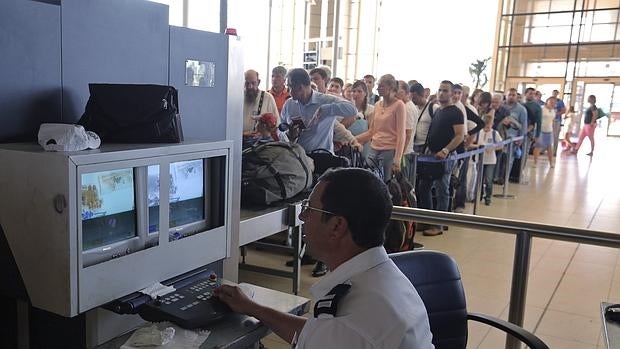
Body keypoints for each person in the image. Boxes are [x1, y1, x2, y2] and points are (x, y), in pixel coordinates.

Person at [214, 168, 435, 349]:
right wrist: (253, 308)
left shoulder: (352, 324)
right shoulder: (381, 277)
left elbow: (337, 335)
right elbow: (315, 333)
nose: (302, 216)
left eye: (309, 209)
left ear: (337, 227)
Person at [416, 81, 465, 237]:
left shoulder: (456, 112)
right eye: (440, 90)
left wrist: (445, 150)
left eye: (445, 90)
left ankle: (438, 224)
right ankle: (427, 219)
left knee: (442, 189)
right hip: (431, 156)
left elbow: (459, 136)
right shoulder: (438, 111)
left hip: (445, 157)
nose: (441, 93)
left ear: (452, 93)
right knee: (424, 187)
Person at [281, 68, 357, 154]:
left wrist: (325, 109)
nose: (288, 91)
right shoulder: (289, 104)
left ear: (300, 87)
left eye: (290, 87)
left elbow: (353, 110)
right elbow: (281, 128)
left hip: (321, 157)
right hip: (295, 157)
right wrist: (288, 135)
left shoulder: (325, 100)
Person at [355, 74, 407, 180]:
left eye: (382, 86)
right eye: (378, 85)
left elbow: (401, 135)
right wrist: (353, 139)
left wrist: (397, 159)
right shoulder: (378, 105)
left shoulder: (399, 105)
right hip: (374, 148)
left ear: (391, 88)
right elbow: (372, 131)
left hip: (389, 150)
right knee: (368, 178)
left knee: (386, 182)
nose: (378, 88)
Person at [473, 113, 502, 205]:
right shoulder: (478, 132)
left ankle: (488, 197)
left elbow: (501, 145)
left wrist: (493, 148)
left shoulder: (494, 133)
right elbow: (472, 143)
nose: (487, 127)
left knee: (488, 180)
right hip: (479, 159)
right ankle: (478, 196)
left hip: (490, 160)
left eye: (488, 125)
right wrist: (478, 146)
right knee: (479, 179)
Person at [243, 69, 279, 135]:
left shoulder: (268, 98)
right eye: (247, 83)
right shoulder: (237, 98)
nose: (250, 86)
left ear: (258, 82)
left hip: (260, 142)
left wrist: (266, 123)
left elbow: (276, 126)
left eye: (253, 83)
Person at [533, 97, 556, 168]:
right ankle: (535, 162)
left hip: (549, 131)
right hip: (541, 130)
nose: (552, 104)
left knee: (550, 147)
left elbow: (552, 121)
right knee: (538, 146)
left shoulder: (553, 111)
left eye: (554, 103)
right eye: (551, 102)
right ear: (547, 101)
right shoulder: (542, 109)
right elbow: (536, 119)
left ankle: (551, 163)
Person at [551, 89, 566, 155]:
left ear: (557, 94)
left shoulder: (560, 102)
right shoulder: (550, 100)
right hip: (549, 120)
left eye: (555, 93)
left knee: (555, 136)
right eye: (553, 93)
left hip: (557, 120)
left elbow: (563, 110)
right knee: (547, 135)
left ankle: (554, 151)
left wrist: (556, 114)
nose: (554, 94)